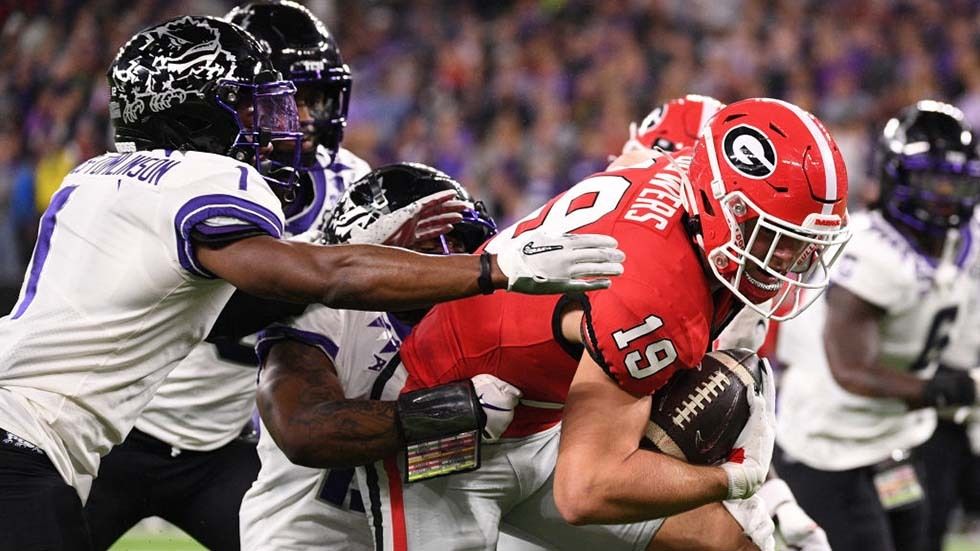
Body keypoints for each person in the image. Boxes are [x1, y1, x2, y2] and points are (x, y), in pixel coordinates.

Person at [0, 16, 623, 551]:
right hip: (23, 444)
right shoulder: (204, 179)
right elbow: (328, 276)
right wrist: (493, 270)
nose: (283, 126)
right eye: (250, 107)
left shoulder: (100, 174)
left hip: (40, 435)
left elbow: (243, 310)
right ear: (192, 116)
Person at [254, 97, 851, 551]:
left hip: (544, 416)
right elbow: (585, 490)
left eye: (802, 245)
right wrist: (730, 479)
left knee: (729, 543)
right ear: (720, 203)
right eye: (775, 239)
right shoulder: (654, 288)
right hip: (446, 430)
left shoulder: (685, 188)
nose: (788, 263)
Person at [81, 3, 371, 549]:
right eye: (289, 100)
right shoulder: (182, 174)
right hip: (117, 434)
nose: (305, 118)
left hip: (221, 449)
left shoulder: (350, 185)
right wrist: (322, 275)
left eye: (314, 98)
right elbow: (215, 313)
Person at [773, 100, 980, 551]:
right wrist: (953, 389)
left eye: (955, 182)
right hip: (831, 447)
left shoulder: (962, 239)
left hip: (895, 442)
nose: (943, 195)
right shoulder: (870, 254)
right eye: (930, 181)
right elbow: (852, 371)